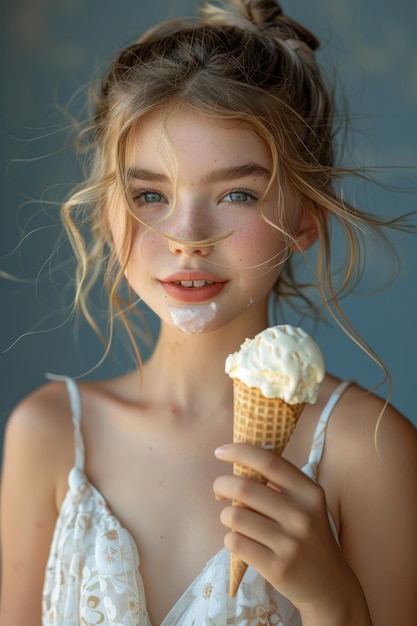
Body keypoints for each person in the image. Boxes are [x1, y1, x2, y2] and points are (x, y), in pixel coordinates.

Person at [1, 0, 416, 624]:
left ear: (306, 217)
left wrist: (333, 600)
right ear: (108, 213)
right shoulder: (50, 435)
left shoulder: (369, 449)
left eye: (236, 194)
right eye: (149, 194)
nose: (188, 235)